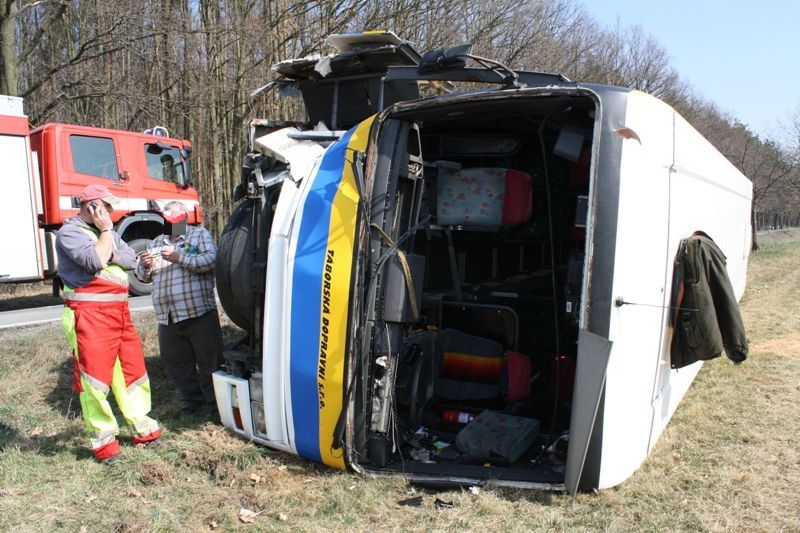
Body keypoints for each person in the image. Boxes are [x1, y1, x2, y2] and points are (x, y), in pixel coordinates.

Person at [56, 184, 161, 463]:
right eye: (106, 206)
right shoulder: (70, 233)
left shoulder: (109, 233)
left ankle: (142, 427)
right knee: (95, 379)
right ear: (91, 206)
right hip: (88, 315)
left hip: (119, 313)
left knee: (131, 371)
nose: (111, 212)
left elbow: (130, 258)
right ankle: (104, 442)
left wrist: (110, 246)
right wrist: (105, 234)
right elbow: (95, 260)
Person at [135, 201, 222, 416]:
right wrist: (144, 266)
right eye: (169, 217)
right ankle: (193, 402)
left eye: (176, 217)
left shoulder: (199, 235)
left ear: (185, 217)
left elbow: (213, 261)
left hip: (198, 313)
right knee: (176, 363)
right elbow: (143, 277)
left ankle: (215, 405)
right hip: (168, 317)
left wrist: (179, 257)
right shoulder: (156, 242)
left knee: (209, 361)